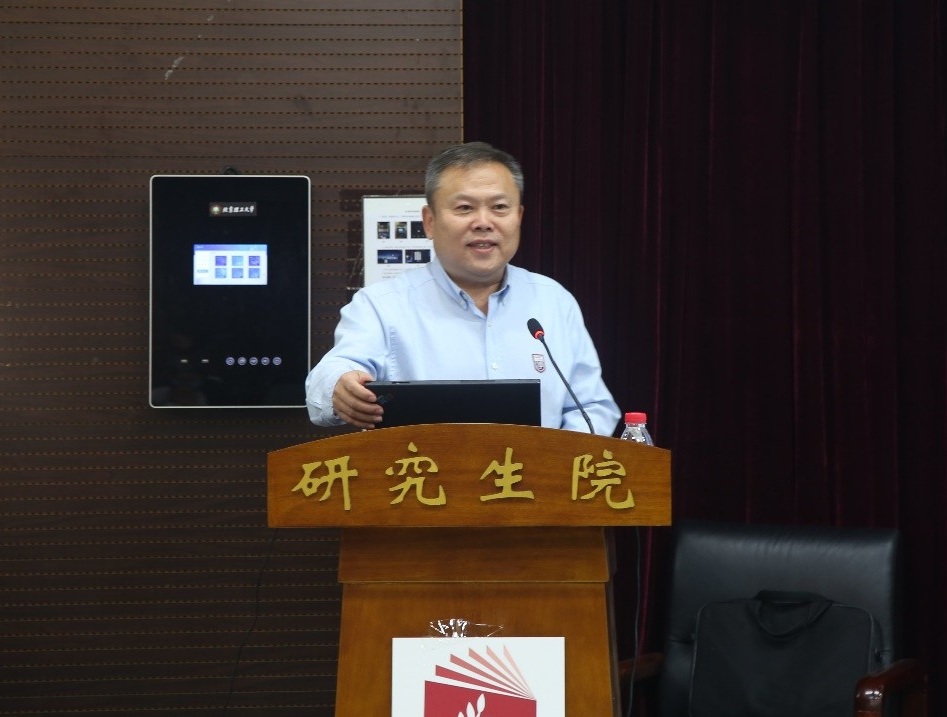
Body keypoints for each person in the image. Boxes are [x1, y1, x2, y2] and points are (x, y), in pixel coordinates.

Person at [305, 141, 620, 434]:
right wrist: (339, 386)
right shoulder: (382, 305)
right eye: (465, 208)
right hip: (425, 475)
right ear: (429, 221)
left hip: (540, 476)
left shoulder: (554, 301)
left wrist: (558, 463)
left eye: (499, 207)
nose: (483, 222)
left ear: (519, 216)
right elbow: (332, 374)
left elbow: (593, 406)